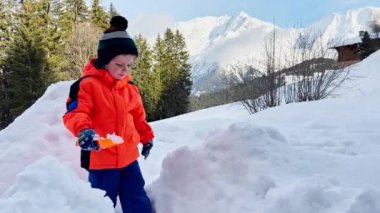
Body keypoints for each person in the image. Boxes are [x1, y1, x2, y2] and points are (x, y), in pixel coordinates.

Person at [63, 15, 154, 213]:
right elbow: (76, 112)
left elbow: (138, 118)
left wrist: (146, 138)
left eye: (129, 65)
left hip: (129, 157)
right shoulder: (86, 86)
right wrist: (84, 131)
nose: (124, 70)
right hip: (101, 160)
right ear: (105, 61)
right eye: (119, 65)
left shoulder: (130, 89)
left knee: (136, 197)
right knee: (101, 202)